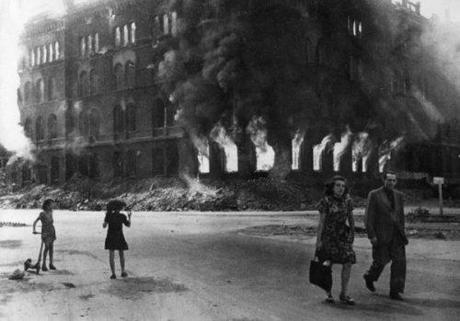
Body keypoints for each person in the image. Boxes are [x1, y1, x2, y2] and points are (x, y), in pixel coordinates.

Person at [363, 171, 408, 301]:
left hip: (397, 235)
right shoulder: (374, 194)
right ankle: (370, 276)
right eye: (389, 180)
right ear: (384, 180)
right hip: (381, 234)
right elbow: (368, 217)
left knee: (400, 262)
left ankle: (395, 291)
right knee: (381, 261)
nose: (391, 183)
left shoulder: (399, 195)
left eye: (394, 181)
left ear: (396, 182)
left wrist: (402, 232)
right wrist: (372, 235)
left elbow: (401, 217)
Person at [316, 175, 356, 305]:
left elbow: (351, 218)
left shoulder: (348, 200)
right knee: (328, 263)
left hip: (342, 235)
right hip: (328, 236)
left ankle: (344, 294)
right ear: (332, 187)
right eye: (338, 185)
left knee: (348, 261)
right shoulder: (326, 201)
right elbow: (321, 222)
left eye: (343, 186)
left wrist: (352, 233)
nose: (341, 188)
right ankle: (328, 293)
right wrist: (318, 241)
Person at [103, 200, 131, 279]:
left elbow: (104, 226)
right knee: (121, 254)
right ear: (120, 208)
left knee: (111, 255)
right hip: (119, 236)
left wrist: (106, 217)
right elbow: (128, 225)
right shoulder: (122, 216)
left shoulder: (109, 215)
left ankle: (113, 273)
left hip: (110, 236)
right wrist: (129, 217)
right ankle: (122, 271)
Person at [32, 199, 57, 271]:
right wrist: (34, 230)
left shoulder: (51, 212)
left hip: (52, 231)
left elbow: (51, 222)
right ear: (48, 205)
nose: (53, 205)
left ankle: (51, 264)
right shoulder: (42, 213)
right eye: (52, 204)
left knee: (51, 248)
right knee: (46, 248)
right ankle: (43, 265)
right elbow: (35, 222)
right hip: (45, 232)